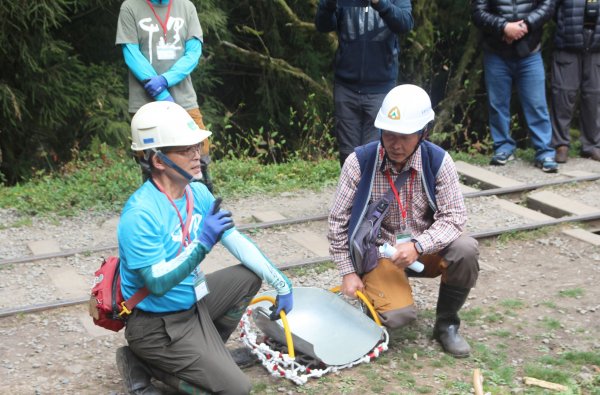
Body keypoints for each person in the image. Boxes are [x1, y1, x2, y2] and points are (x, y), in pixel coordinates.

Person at [115, 101, 294, 394]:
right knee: (237, 390)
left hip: (192, 305)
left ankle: (209, 357)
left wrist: (281, 284)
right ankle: (149, 364)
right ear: (158, 160)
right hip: (156, 325)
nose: (197, 155)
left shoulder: (196, 192)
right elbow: (157, 283)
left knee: (247, 277)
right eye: (186, 150)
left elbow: (235, 240)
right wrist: (201, 244)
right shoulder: (140, 214)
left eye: (197, 146)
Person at [328, 84, 480, 358]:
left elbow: (455, 218)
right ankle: (379, 298)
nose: (395, 144)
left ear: (423, 133)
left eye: (405, 137)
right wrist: (348, 272)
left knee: (465, 250)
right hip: (380, 255)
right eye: (388, 134)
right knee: (398, 316)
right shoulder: (358, 163)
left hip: (425, 250)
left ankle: (446, 325)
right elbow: (337, 223)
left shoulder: (438, 162)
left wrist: (419, 246)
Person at [116, 0, 214, 191]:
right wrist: (161, 93)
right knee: (152, 158)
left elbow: (193, 52)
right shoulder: (130, 7)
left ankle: (202, 208)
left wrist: (166, 80)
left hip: (184, 100)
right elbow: (130, 52)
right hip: (145, 103)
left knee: (199, 153)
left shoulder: (187, 7)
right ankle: (159, 211)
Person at [314, 0, 414, 168]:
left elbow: (405, 23)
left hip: (381, 88)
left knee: (376, 152)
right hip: (346, 86)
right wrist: (329, 4)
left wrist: (380, 3)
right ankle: (353, 194)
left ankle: (374, 194)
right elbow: (323, 25)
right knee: (348, 155)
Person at [472, 0, 559, 173]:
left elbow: (548, 5)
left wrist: (525, 25)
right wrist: (503, 27)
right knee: (497, 104)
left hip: (530, 51)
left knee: (536, 103)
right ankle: (503, 147)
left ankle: (544, 152)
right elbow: (478, 12)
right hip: (496, 51)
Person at [550, 0, 600, 163]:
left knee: (594, 96)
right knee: (563, 94)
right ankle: (561, 145)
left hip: (597, 45)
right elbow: (552, 8)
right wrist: (567, 27)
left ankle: (592, 145)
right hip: (568, 43)